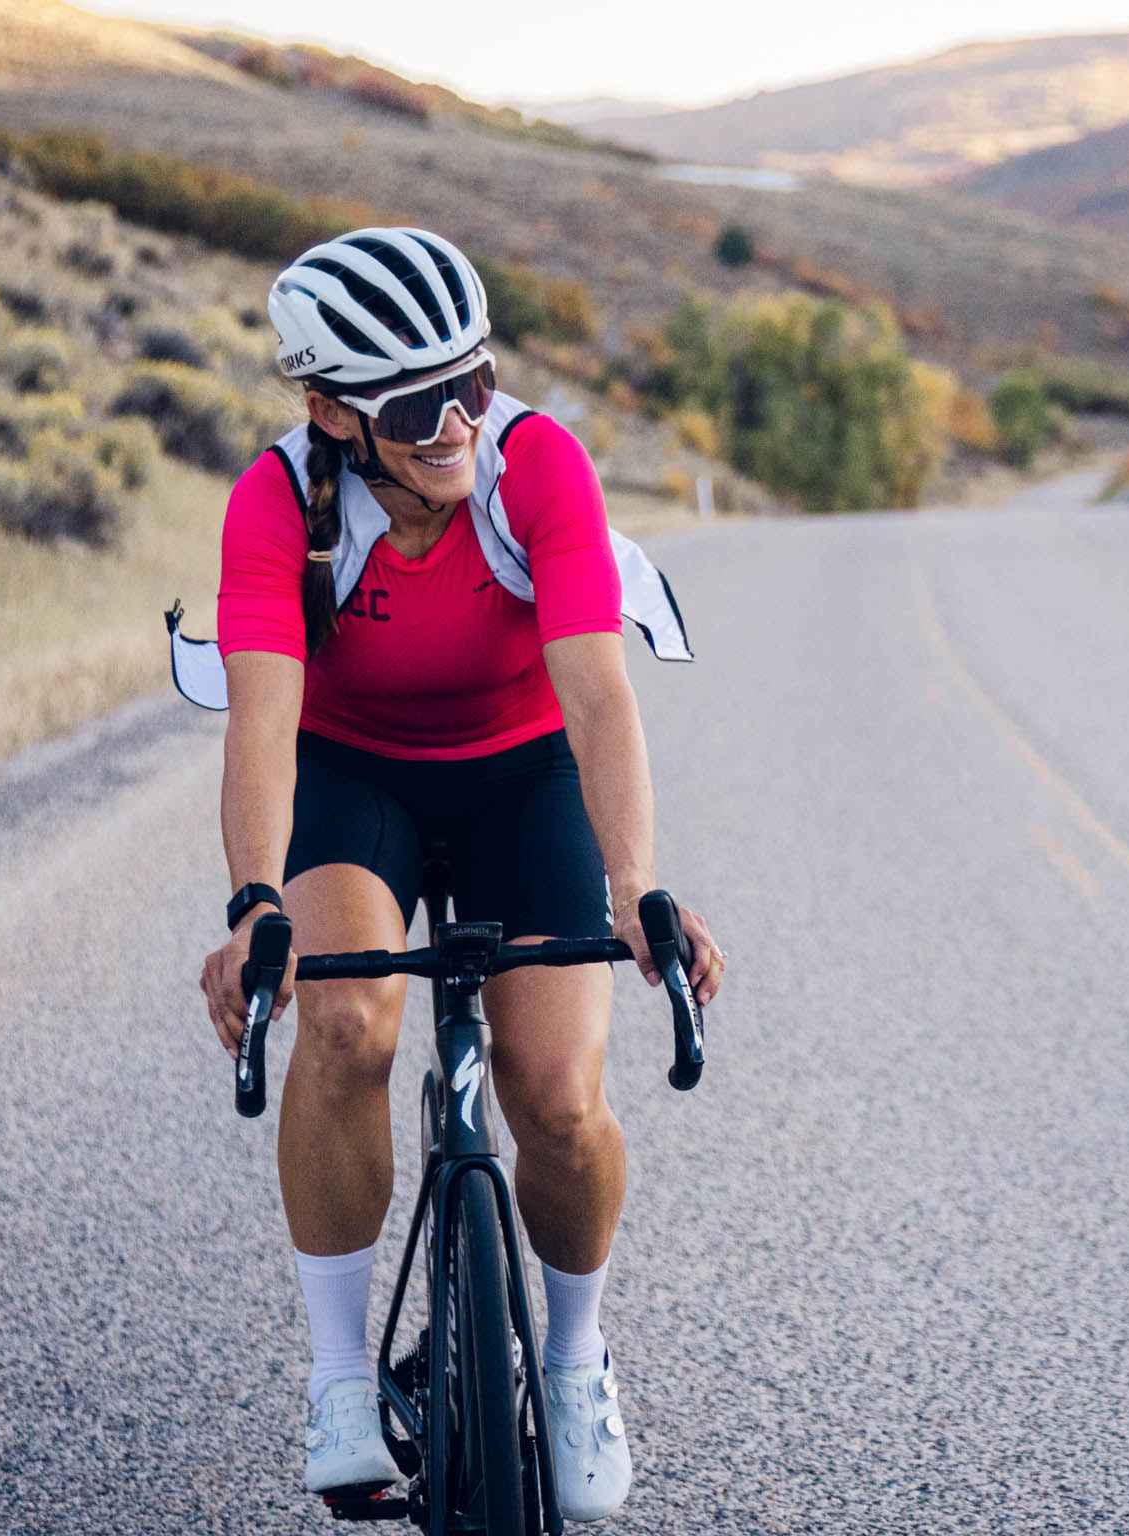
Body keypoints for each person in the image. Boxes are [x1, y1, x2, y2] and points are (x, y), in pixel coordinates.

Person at [193, 226, 723, 1521]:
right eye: (417, 404)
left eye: (474, 383)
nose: (457, 424)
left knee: (556, 1092)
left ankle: (575, 1356)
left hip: (520, 771)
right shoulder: (277, 504)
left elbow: (599, 698)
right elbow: (263, 723)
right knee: (346, 1018)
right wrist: (256, 900)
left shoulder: (535, 468)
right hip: (353, 775)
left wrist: (636, 887)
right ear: (328, 410)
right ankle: (335, 1377)